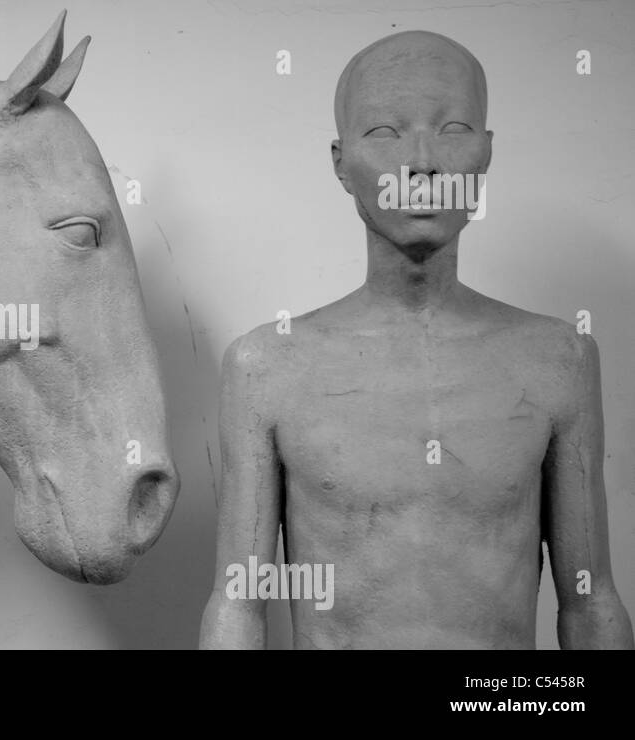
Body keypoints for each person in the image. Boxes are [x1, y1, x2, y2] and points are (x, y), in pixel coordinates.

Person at [199, 30, 633, 649]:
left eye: (453, 128)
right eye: (384, 132)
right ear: (340, 161)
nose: (421, 162)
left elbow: (590, 603)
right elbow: (238, 605)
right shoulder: (268, 366)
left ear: (486, 154)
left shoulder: (556, 359)